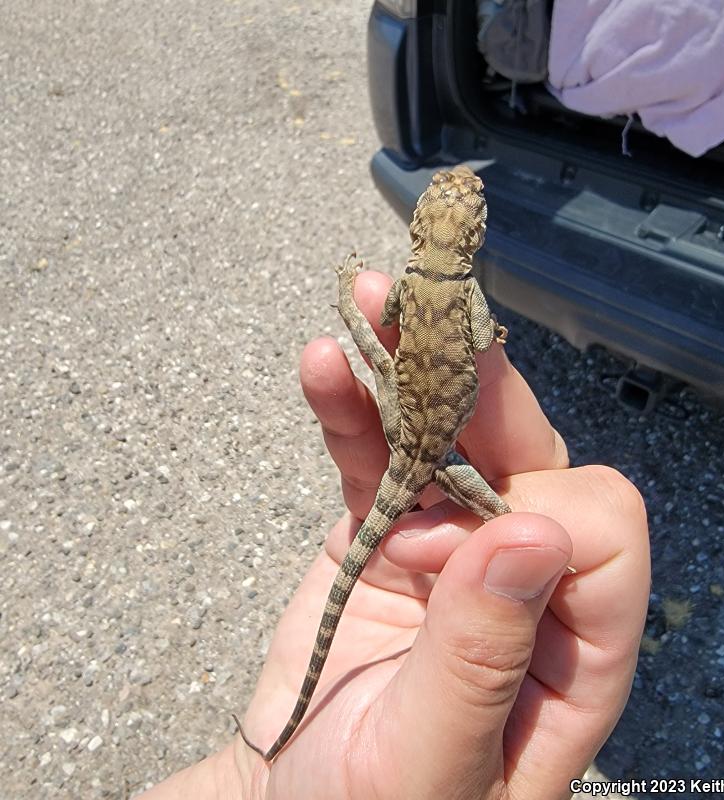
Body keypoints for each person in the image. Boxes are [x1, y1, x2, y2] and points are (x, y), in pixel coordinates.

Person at [141, 270, 650, 800]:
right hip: (433, 460)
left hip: (404, 437)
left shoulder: (411, 281)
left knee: (384, 365)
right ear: (472, 235)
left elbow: (385, 321)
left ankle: (346, 301)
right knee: (500, 512)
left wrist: (355, 301)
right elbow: (480, 340)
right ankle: (515, 532)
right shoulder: (467, 290)